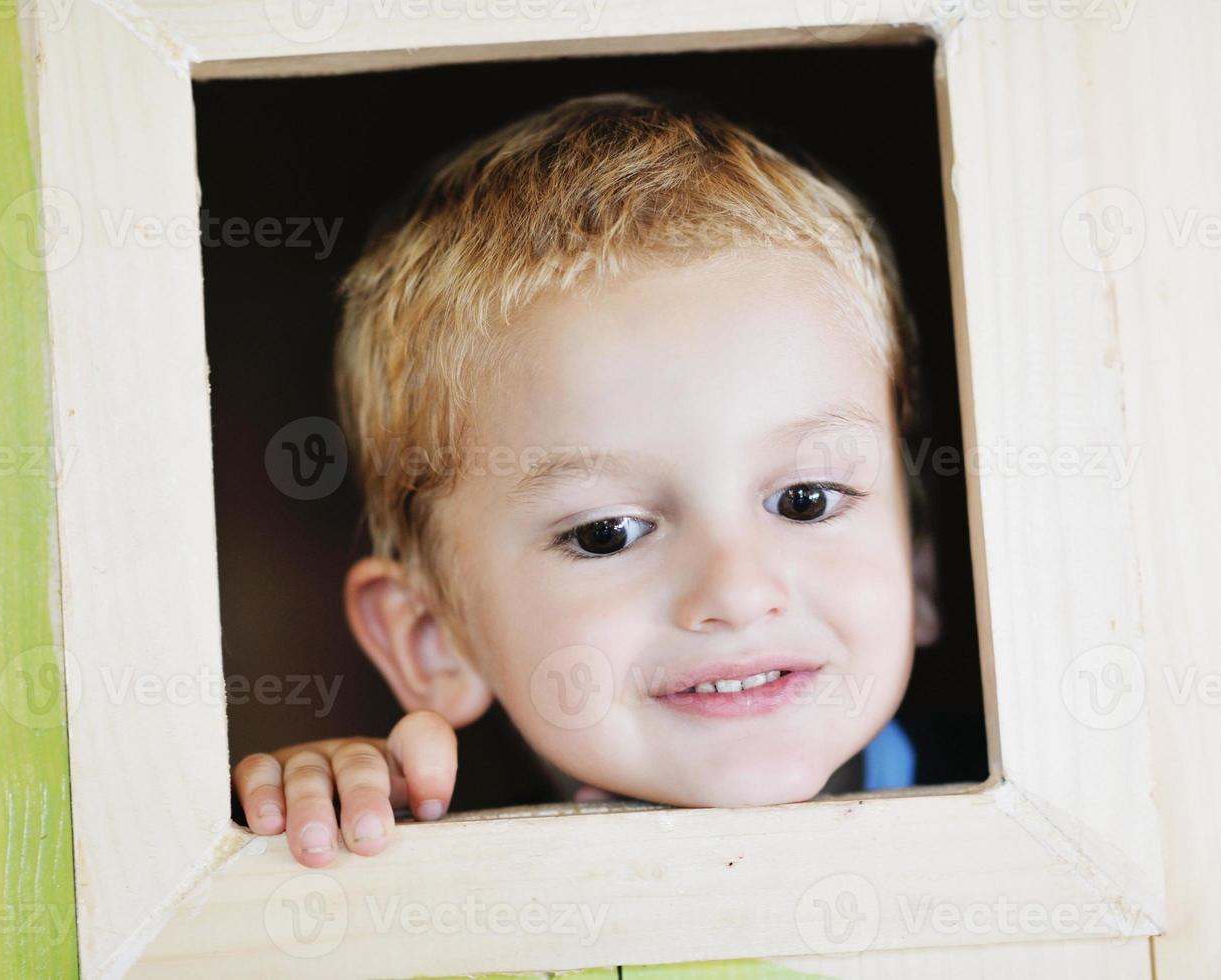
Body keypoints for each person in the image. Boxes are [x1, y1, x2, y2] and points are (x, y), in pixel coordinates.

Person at [231, 93, 940, 868]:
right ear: (436, 640)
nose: (736, 593)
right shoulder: (443, 866)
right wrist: (326, 837)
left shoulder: (1048, 805)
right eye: (608, 533)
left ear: (917, 565)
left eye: (805, 502)